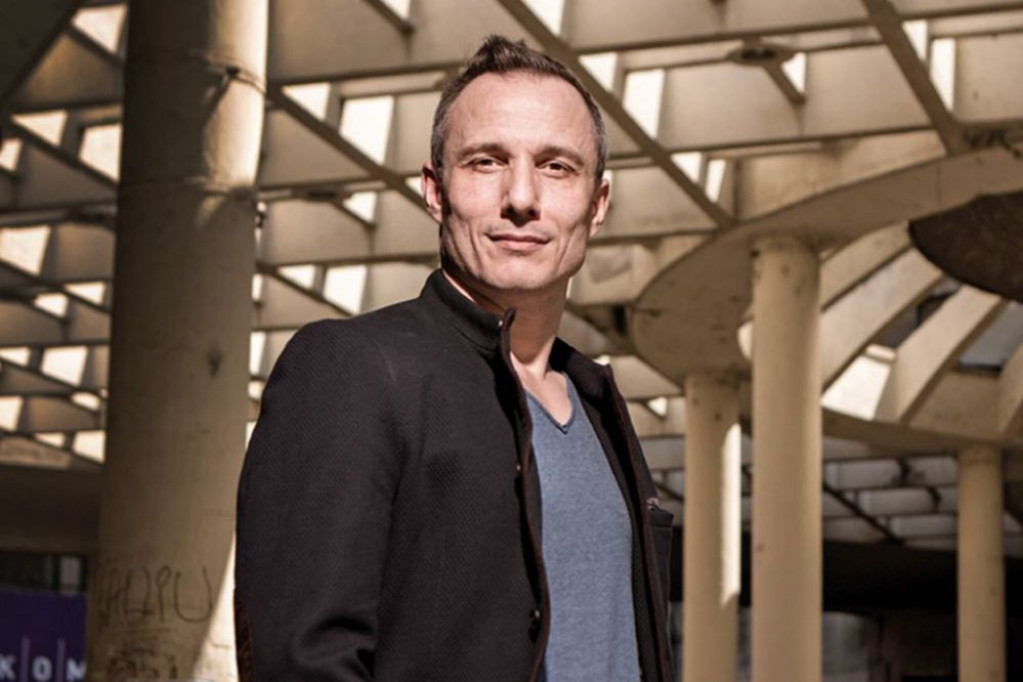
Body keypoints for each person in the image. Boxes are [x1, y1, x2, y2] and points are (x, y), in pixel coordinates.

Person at [234, 35, 673, 682]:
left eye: (556, 167)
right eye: (486, 162)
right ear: (435, 191)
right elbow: (303, 663)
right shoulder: (352, 370)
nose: (521, 197)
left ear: (597, 204)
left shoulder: (598, 404)